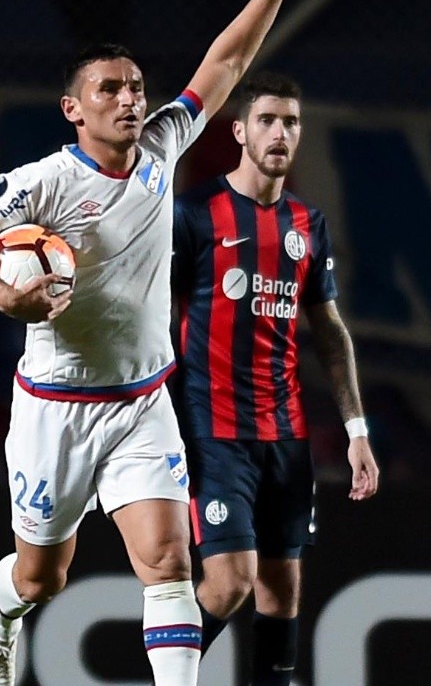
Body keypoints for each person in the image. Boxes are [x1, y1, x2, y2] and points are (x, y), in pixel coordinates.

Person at [0, 0, 298, 686]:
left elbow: (221, 68)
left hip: (141, 402)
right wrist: (3, 296)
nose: (130, 100)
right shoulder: (43, 184)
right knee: (40, 579)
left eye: (134, 87)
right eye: (109, 90)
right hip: (55, 409)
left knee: (166, 562)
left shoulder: (161, 145)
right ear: (72, 109)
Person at [170, 71, 379, 684]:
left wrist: (356, 428)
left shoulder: (306, 224)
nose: (280, 131)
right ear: (238, 130)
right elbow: (155, 320)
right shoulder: (194, 215)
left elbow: (330, 333)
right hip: (214, 433)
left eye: (290, 121)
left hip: (286, 435)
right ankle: (161, 675)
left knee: (279, 594)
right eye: (266, 119)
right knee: (230, 581)